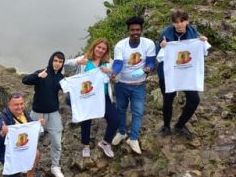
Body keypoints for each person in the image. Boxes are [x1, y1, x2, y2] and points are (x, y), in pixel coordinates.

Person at [156, 9, 207, 138]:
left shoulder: (193, 32)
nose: (179, 24)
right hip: (169, 75)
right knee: (167, 101)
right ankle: (166, 126)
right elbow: (157, 55)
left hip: (187, 74)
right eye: (176, 22)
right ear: (172, 23)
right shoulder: (165, 34)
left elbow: (203, 51)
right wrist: (161, 47)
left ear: (187, 21)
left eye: (182, 21)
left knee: (194, 100)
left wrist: (203, 42)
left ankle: (180, 125)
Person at [65, 39, 118, 159]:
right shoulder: (85, 59)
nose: (100, 50)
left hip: (103, 96)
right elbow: (66, 64)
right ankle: (85, 146)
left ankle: (105, 143)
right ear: (94, 47)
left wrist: (110, 72)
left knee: (115, 119)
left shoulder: (109, 62)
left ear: (106, 51)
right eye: (99, 47)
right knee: (86, 120)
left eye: (104, 49)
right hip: (86, 96)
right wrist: (78, 62)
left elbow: (117, 77)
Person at [110, 16, 156, 154]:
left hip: (139, 84)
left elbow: (151, 62)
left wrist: (148, 68)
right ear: (128, 31)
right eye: (132, 30)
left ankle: (134, 138)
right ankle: (122, 132)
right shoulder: (120, 45)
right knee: (120, 110)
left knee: (138, 112)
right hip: (121, 84)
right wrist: (114, 73)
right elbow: (118, 63)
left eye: (137, 30)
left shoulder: (148, 44)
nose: (135, 32)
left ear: (141, 30)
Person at [22, 51, 66, 177]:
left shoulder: (60, 78)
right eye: (55, 60)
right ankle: (27, 165)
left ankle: (55, 166)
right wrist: (38, 76)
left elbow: (70, 88)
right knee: (31, 141)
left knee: (57, 142)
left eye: (60, 62)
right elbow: (25, 80)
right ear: (51, 60)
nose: (57, 64)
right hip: (37, 114)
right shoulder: (42, 72)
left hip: (53, 114)